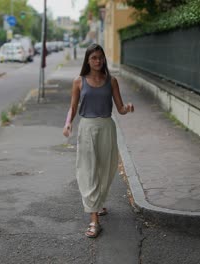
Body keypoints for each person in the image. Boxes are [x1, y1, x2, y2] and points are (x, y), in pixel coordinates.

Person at [63, 43, 134, 238]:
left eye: (100, 57)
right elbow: (73, 107)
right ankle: (94, 220)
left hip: (107, 128)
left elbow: (119, 108)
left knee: (106, 168)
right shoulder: (79, 81)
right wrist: (68, 122)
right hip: (87, 129)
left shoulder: (111, 81)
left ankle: (98, 202)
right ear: (88, 60)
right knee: (88, 170)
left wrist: (127, 107)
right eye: (94, 57)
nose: (98, 61)